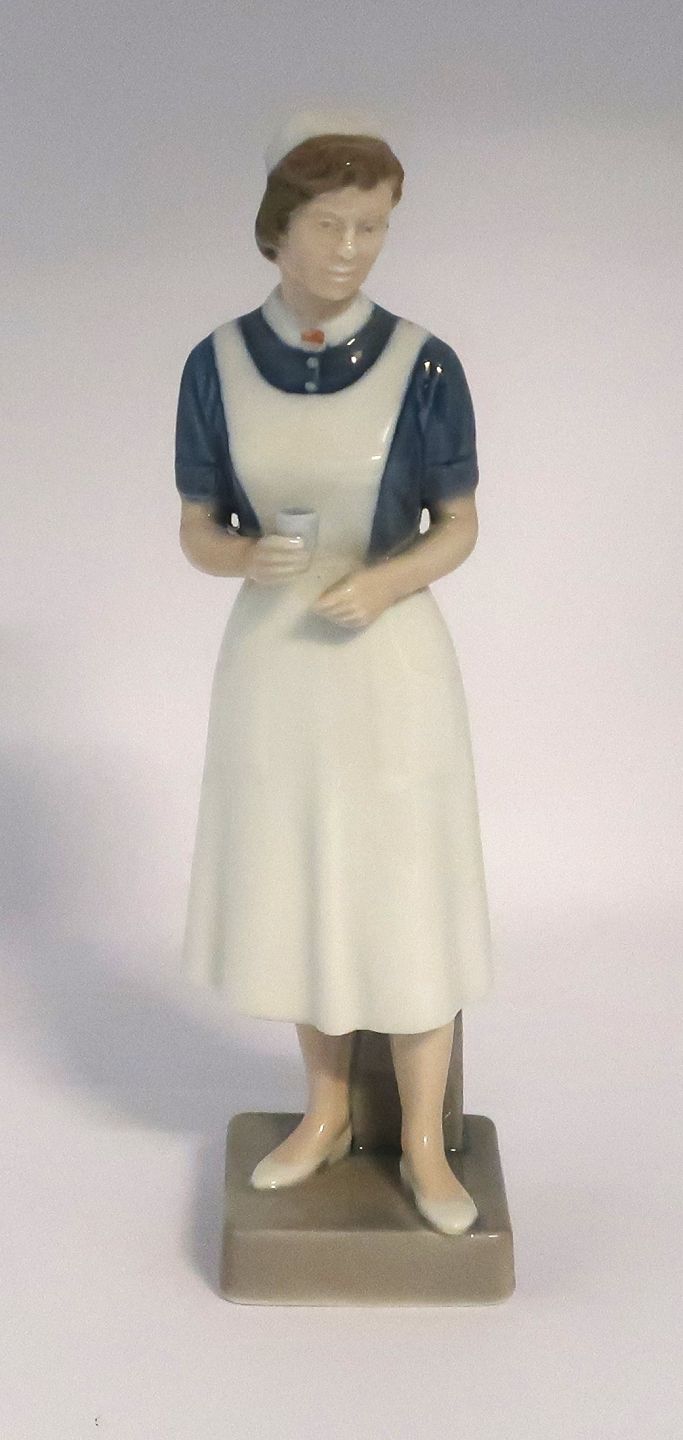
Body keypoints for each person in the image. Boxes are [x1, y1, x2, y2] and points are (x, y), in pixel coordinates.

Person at [175, 110, 493, 1234]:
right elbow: (197, 528)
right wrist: (241, 557)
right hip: (277, 663)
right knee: (298, 882)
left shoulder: (424, 364)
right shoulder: (216, 365)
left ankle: (422, 1140)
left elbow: (458, 525)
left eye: (372, 227)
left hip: (386, 660)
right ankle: (324, 1110)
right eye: (329, 225)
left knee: (405, 891)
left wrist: (388, 582)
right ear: (277, 228)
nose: (351, 249)